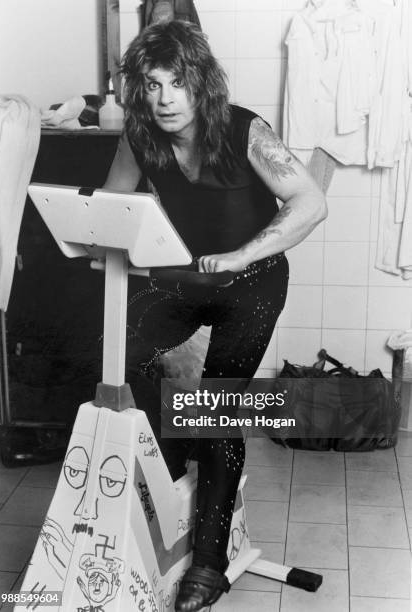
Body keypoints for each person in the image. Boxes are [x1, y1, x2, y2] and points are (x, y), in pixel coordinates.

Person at [104, 20, 327, 612]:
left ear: (199, 81)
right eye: (151, 85)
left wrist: (242, 252)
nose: (164, 99)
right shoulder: (139, 132)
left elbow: (312, 201)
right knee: (121, 355)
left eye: (176, 83)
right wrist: (99, 239)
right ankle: (172, 467)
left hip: (252, 279)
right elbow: (116, 206)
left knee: (218, 407)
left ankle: (208, 565)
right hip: (183, 275)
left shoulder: (244, 129)